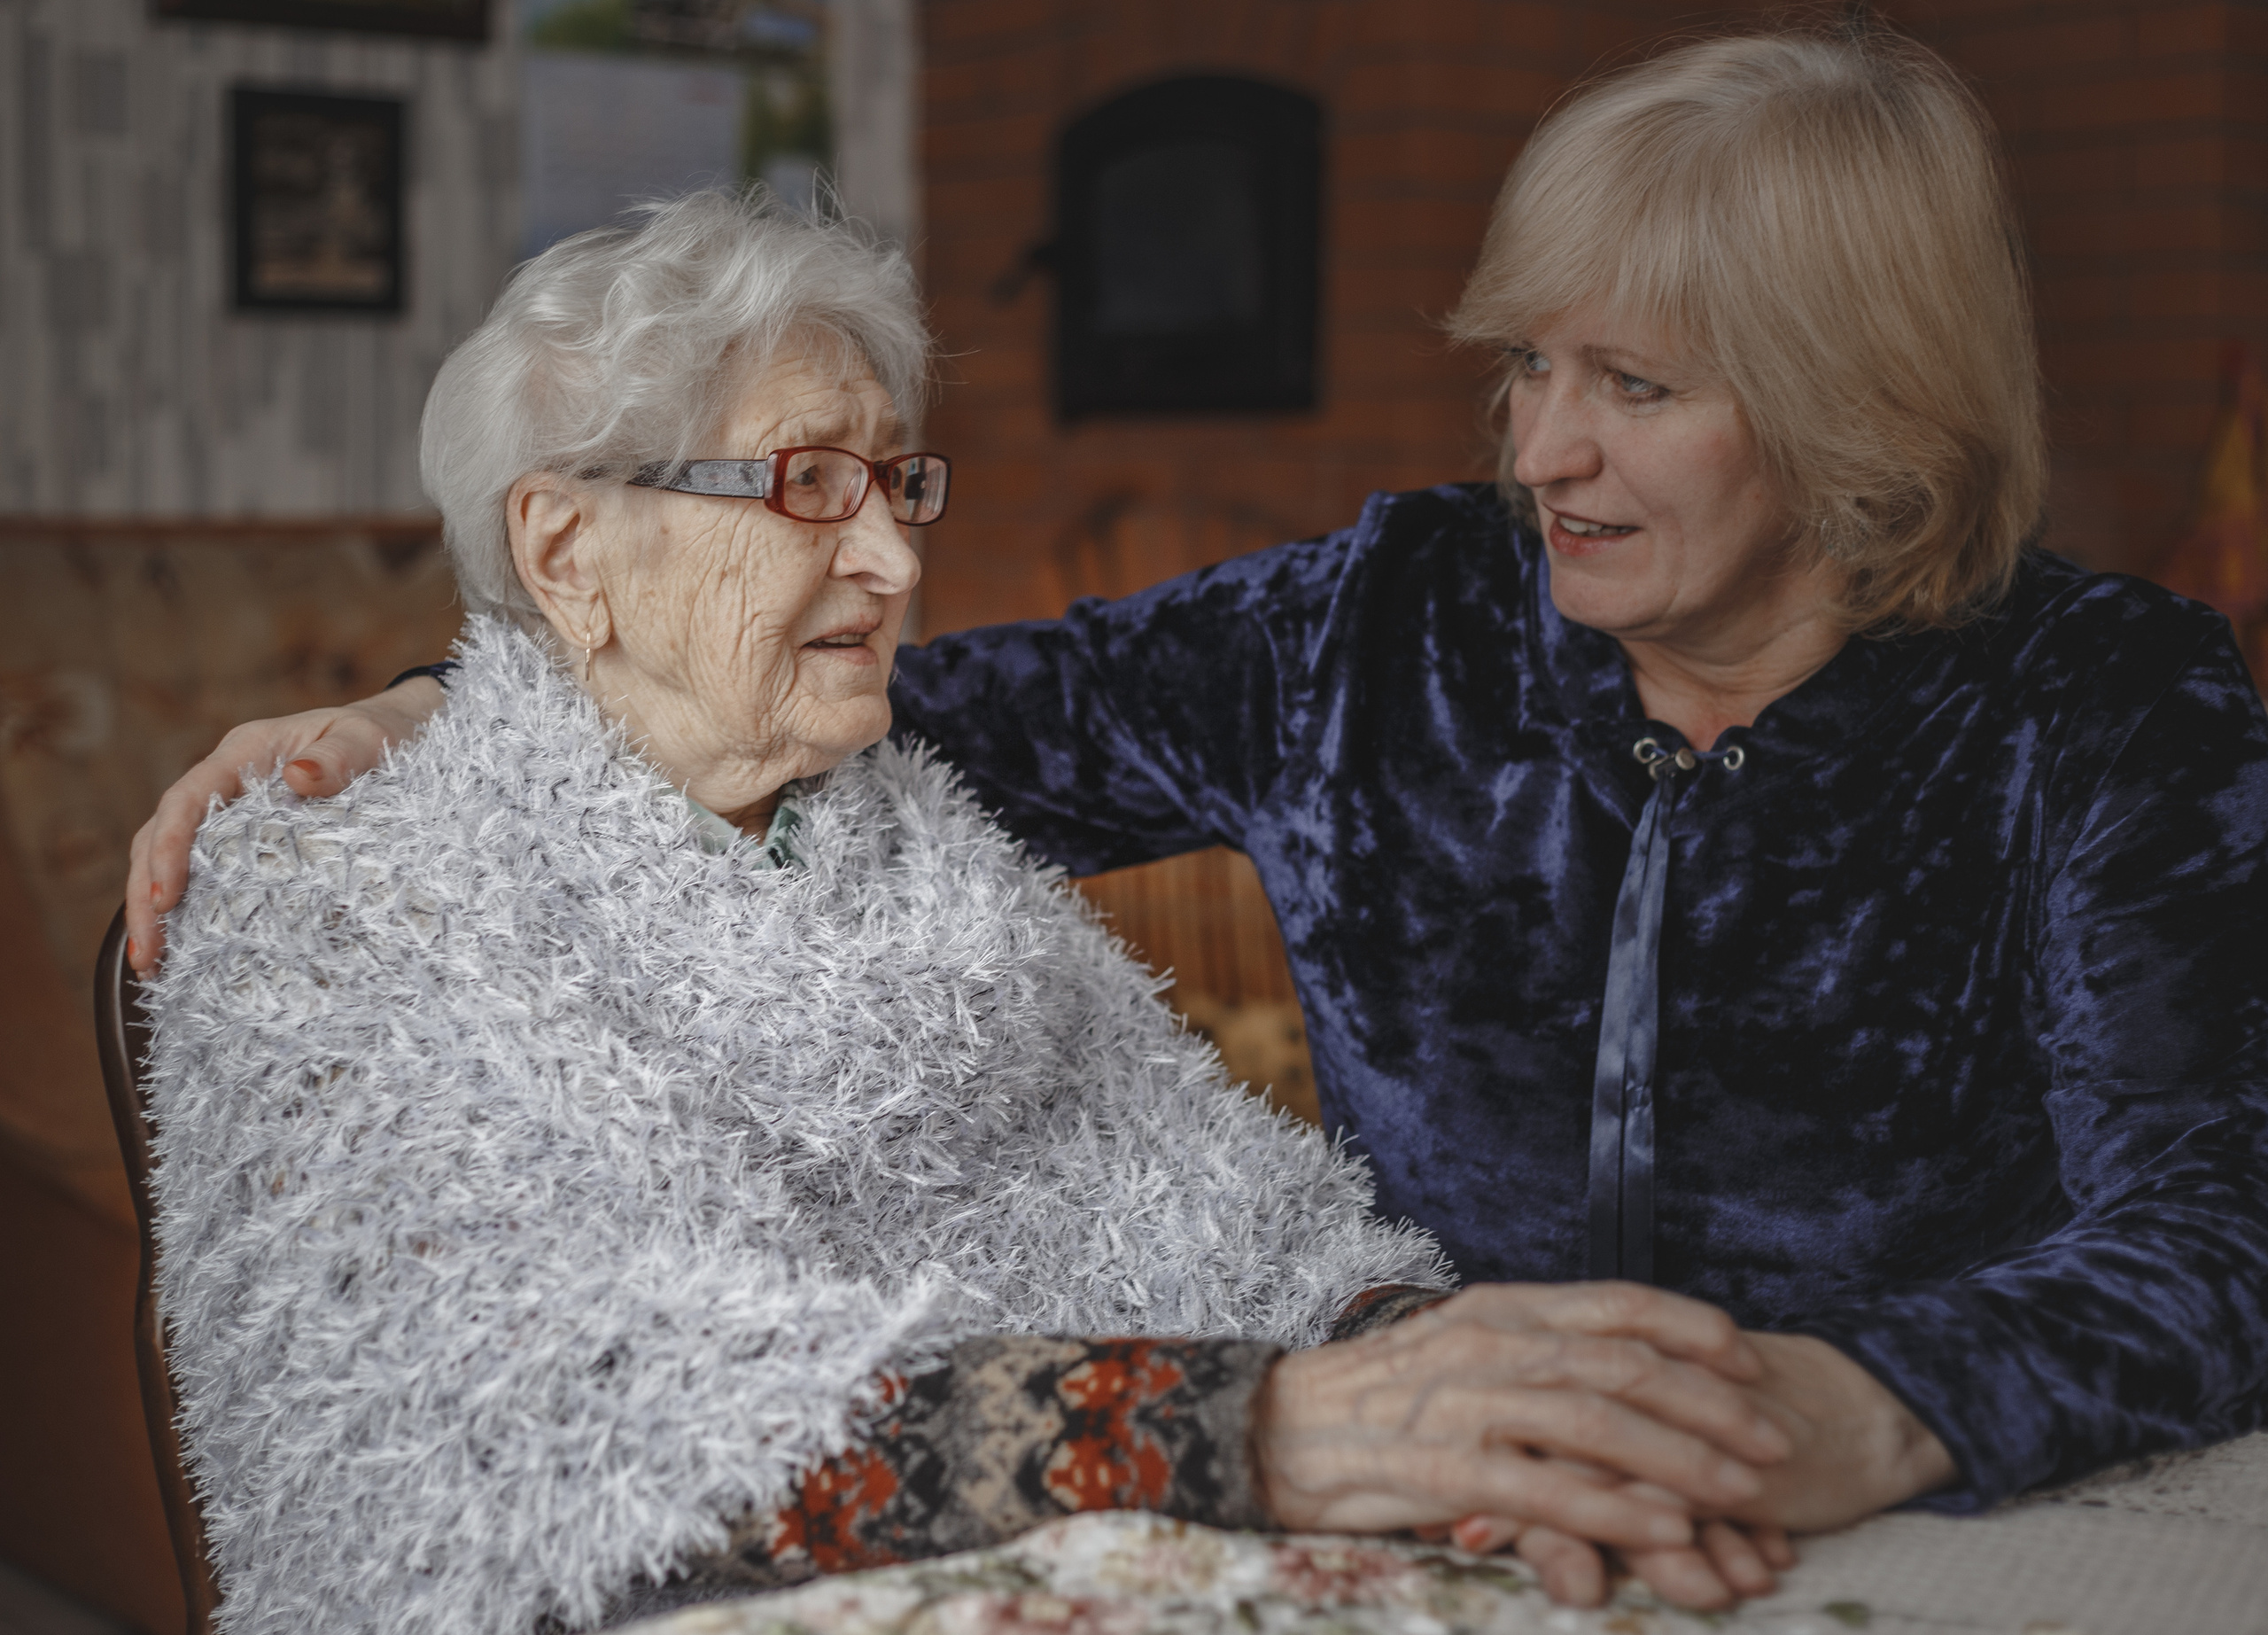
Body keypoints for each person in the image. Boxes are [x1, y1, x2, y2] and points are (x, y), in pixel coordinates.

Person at [131, 23, 2268, 1617]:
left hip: (1890, 1507)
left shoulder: (2094, 704)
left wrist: (1869, 1399)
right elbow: (851, 716)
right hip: (1417, 1510)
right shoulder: (1392, 615)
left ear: (1848, 405)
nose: (1537, 446)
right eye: (1521, 367)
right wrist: (440, 695)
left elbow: (2214, 1231)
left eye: (1630, 383)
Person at [143, 191, 1801, 1635]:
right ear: (569, 547)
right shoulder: (335, 893)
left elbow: (1233, 1217)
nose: (893, 561)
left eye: (896, 483)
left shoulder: (919, 845)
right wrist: (1276, 1428)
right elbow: (571, 1412)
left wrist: (1472, 1369)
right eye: (806, 484)